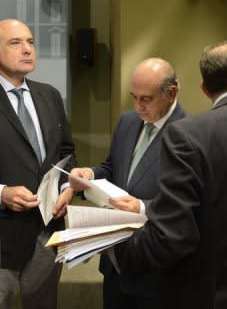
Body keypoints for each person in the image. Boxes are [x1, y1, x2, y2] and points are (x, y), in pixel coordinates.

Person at [109, 40, 227, 309]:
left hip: (212, 292)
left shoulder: (188, 135)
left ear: (204, 86)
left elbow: (173, 235)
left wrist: (115, 248)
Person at [0, 18, 75, 309]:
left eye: (31, 42)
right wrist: (0, 194)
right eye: (16, 43)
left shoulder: (49, 95)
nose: (27, 49)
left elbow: (67, 151)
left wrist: (67, 187)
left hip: (48, 231)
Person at [69, 57, 186, 309]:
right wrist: (89, 174)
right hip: (116, 258)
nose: (138, 106)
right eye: (134, 97)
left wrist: (142, 207)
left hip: (157, 266)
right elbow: (113, 167)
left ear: (171, 92)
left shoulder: (189, 132)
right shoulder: (127, 121)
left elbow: (189, 203)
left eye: (146, 99)